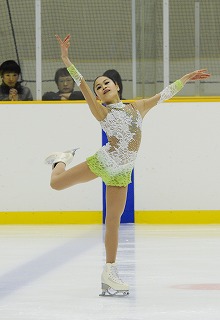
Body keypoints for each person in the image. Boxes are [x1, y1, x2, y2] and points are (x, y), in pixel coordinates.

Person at [45, 34, 210, 296]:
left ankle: (109, 272)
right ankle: (60, 159)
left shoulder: (138, 108)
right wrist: (66, 59)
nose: (102, 87)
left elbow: (164, 94)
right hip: (104, 161)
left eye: (106, 83)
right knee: (55, 184)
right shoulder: (102, 112)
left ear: (117, 86)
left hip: (122, 172)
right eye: (99, 87)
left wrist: (187, 78)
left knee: (113, 220)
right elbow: (83, 85)